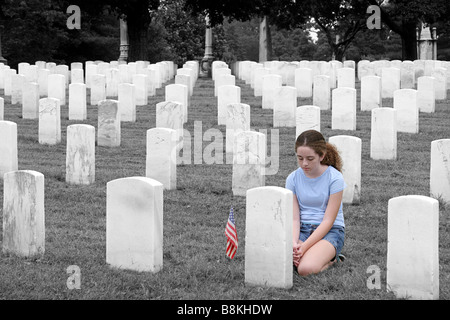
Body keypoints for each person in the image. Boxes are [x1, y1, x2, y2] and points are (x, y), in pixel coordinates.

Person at [285, 130, 346, 276]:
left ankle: (333, 259)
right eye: (300, 158)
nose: (304, 163)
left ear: (321, 156)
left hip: (330, 231)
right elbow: (294, 217)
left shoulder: (335, 178)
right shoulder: (292, 179)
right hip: (302, 229)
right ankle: (311, 255)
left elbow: (328, 220)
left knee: (304, 269)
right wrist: (294, 243)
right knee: (282, 261)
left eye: (310, 159)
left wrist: (304, 247)